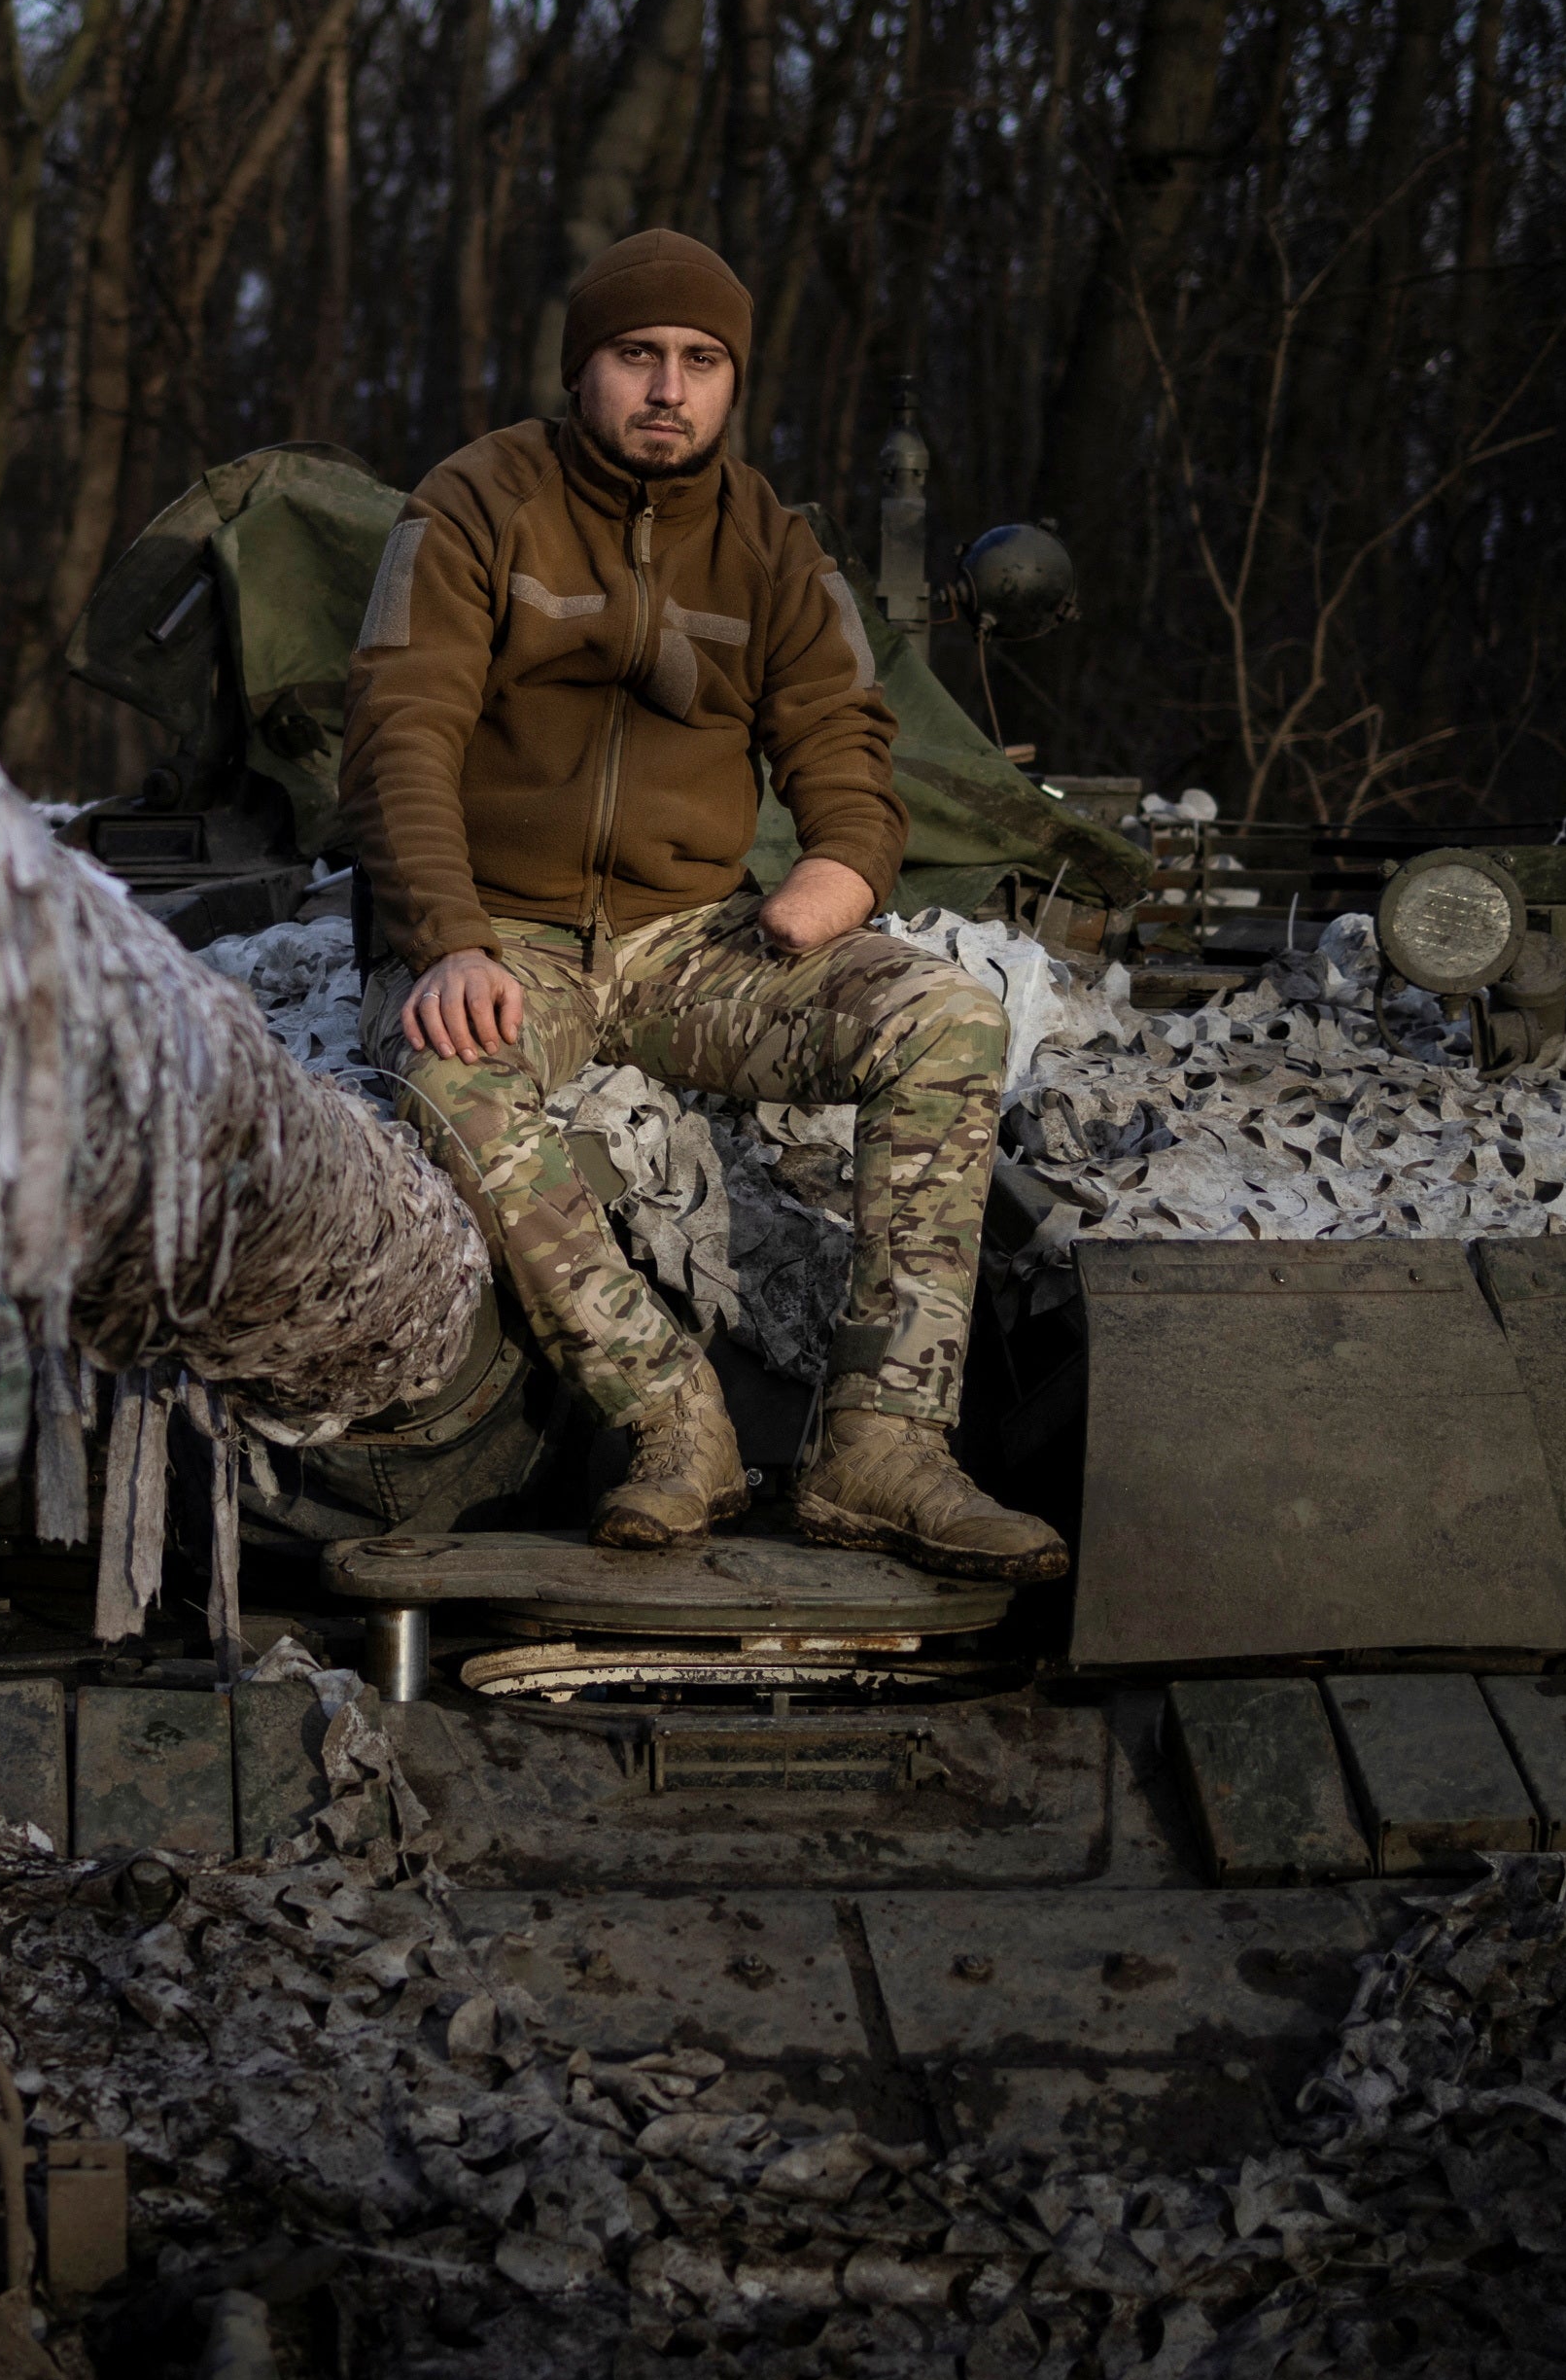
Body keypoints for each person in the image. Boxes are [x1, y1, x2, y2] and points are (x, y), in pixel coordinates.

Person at [340, 228, 1069, 1583]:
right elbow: (401, 735)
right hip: (507, 930)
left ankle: (885, 1446)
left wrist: (839, 869)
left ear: (732, 384)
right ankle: (679, 1425)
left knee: (947, 1022)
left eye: (700, 361)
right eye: (638, 356)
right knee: (454, 1078)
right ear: (585, 369)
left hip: (689, 943)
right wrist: (445, 940)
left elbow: (847, 731)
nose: (668, 388)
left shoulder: (773, 544)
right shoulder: (475, 501)